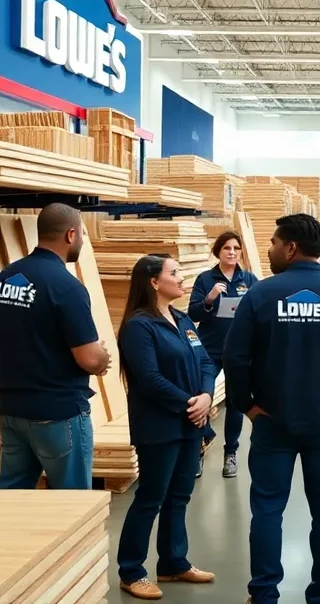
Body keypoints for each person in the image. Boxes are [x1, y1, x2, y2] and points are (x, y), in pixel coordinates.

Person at [223, 214, 320, 604]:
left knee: (267, 510)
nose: (270, 249)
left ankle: (263, 594)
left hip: (272, 421)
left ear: (291, 248)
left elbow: (235, 358)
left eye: (274, 243)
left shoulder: (260, 296)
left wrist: (247, 406)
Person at [0, 203, 111, 490]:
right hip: (58, 412)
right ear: (70, 235)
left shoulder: (4, 278)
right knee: (72, 501)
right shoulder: (67, 286)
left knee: (13, 495)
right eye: (82, 235)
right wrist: (103, 359)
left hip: (12, 410)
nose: (81, 241)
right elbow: (89, 359)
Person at [115, 255, 219, 600]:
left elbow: (206, 361)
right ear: (154, 282)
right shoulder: (139, 327)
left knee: (180, 495)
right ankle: (131, 571)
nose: (182, 277)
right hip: (159, 425)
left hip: (189, 423)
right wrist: (191, 403)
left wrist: (206, 395)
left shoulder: (182, 319)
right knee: (151, 497)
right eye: (174, 273)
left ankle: (174, 562)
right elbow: (149, 379)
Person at [188, 231, 260, 478]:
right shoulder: (205, 279)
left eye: (236, 248)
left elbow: (260, 311)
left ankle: (231, 453)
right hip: (210, 349)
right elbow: (193, 314)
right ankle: (199, 449)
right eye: (226, 248)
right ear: (218, 251)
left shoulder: (249, 279)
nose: (231, 252)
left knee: (235, 403)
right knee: (201, 398)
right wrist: (210, 299)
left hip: (239, 351)